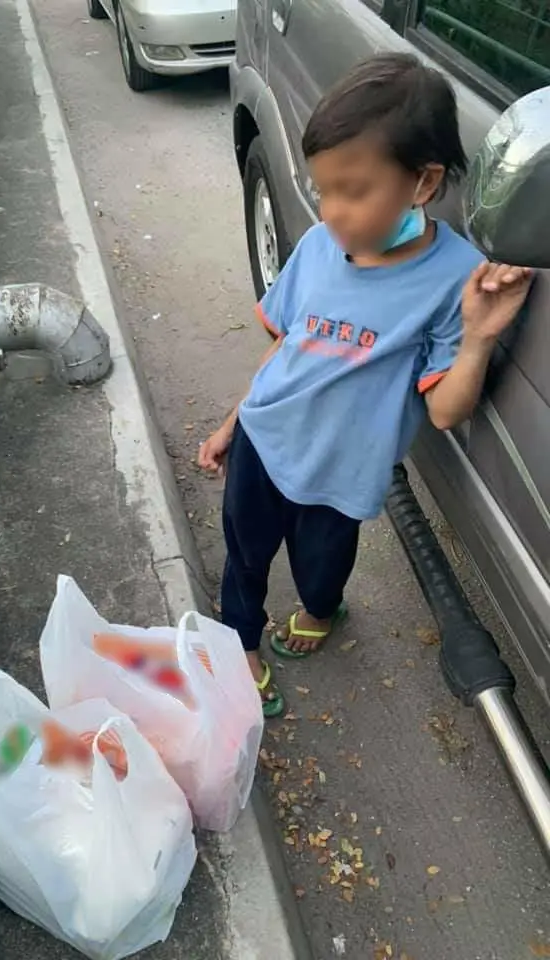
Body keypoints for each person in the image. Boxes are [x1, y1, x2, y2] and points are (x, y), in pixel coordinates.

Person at [198, 53, 533, 719]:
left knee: (322, 569)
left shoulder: (455, 279)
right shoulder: (323, 245)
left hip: (343, 473)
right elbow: (287, 353)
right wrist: (234, 421)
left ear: (423, 182)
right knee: (244, 555)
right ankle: (242, 645)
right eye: (324, 190)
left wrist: (478, 335)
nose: (333, 211)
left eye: (354, 190)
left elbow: (443, 411)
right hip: (266, 439)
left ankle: (321, 610)